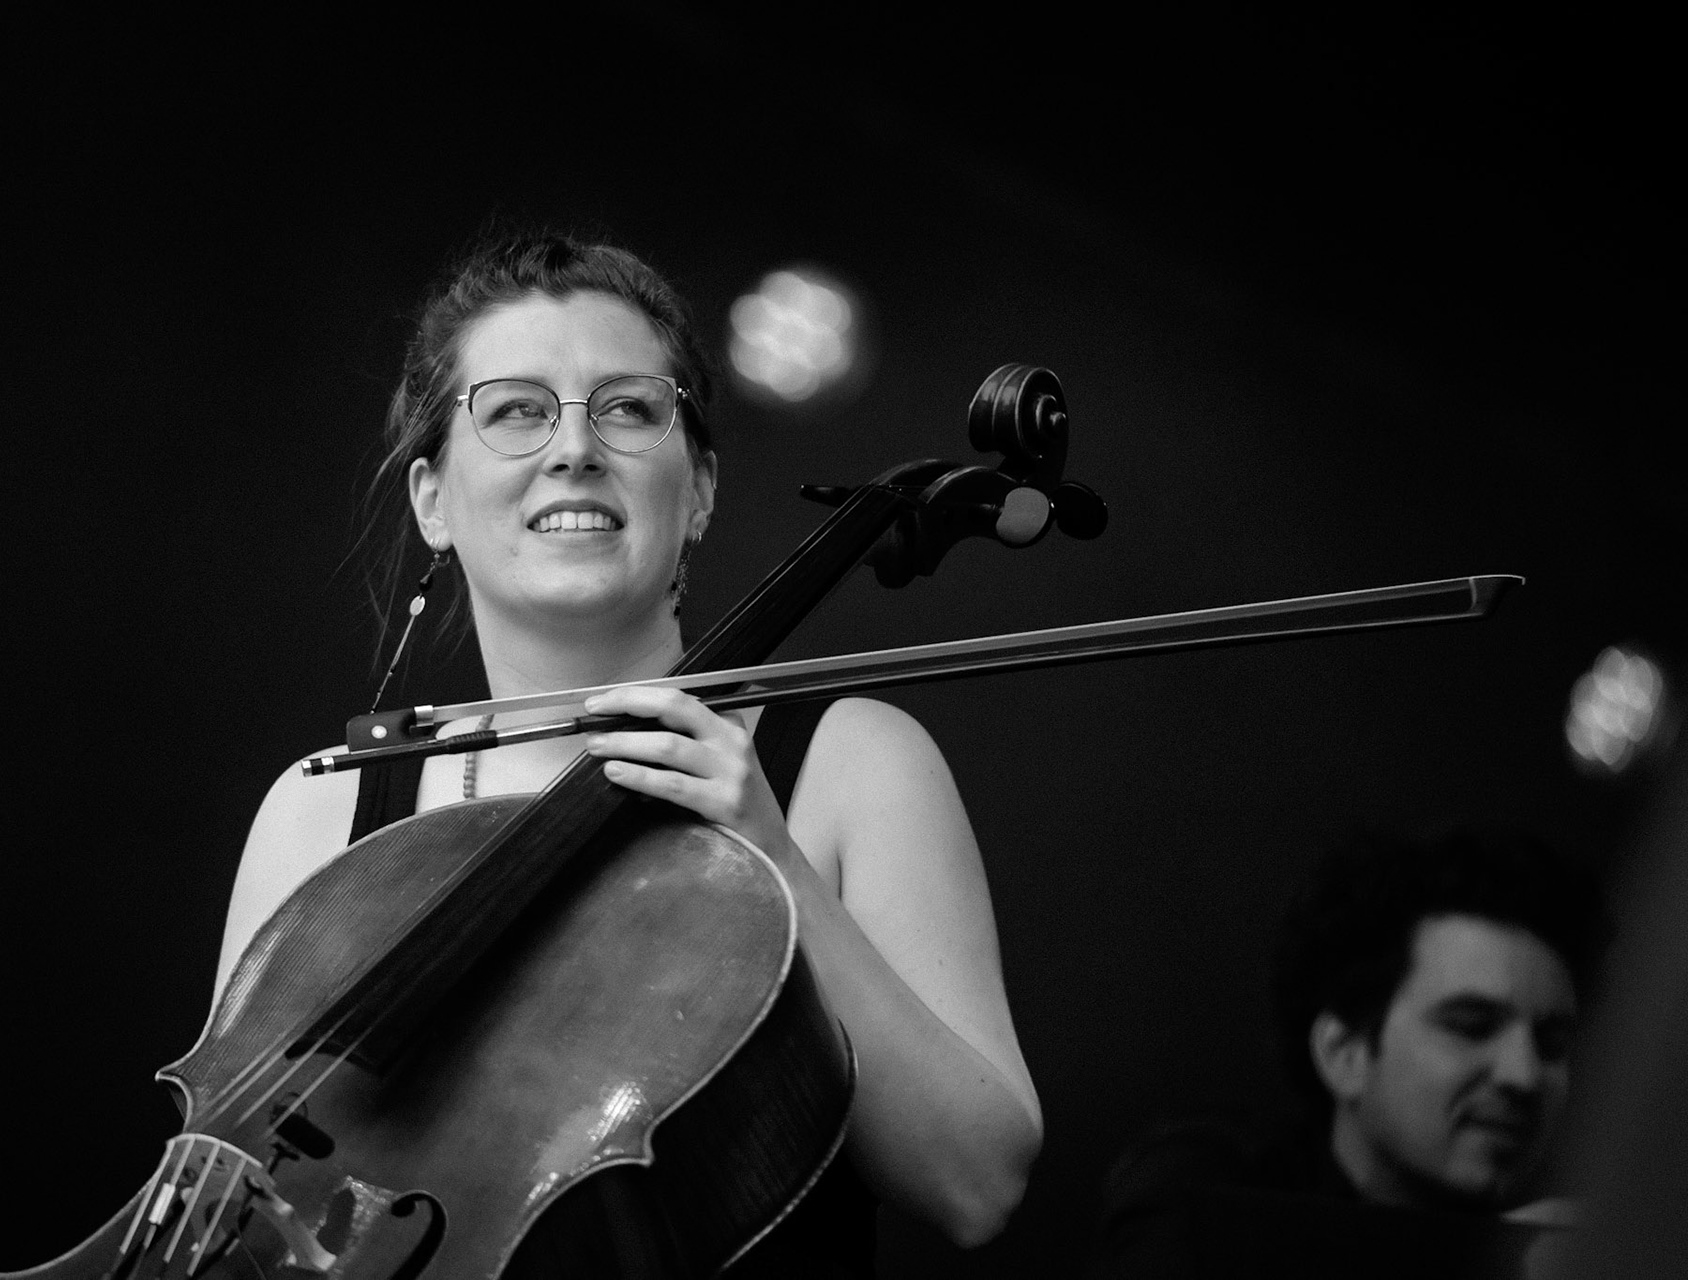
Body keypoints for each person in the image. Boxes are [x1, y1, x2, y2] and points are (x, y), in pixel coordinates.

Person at [213, 231, 1042, 1272]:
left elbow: (977, 1182)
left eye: (628, 407)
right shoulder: (319, 806)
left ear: (697, 488)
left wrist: (771, 858)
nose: (574, 448)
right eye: (516, 408)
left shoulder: (850, 763)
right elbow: (230, 1215)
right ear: (433, 498)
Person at [1089, 825, 1606, 1278]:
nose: (1525, 1074)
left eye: (1553, 1044)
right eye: (1470, 1026)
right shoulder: (1203, 1194)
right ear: (1345, 1053)